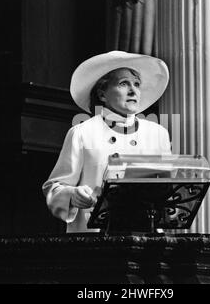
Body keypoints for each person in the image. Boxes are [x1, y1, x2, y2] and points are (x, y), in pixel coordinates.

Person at [42, 51, 171, 233]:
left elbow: (169, 189)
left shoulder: (158, 133)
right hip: (96, 243)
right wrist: (72, 196)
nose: (133, 91)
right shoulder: (82, 132)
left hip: (146, 241)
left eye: (136, 84)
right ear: (102, 94)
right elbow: (53, 188)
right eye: (124, 84)